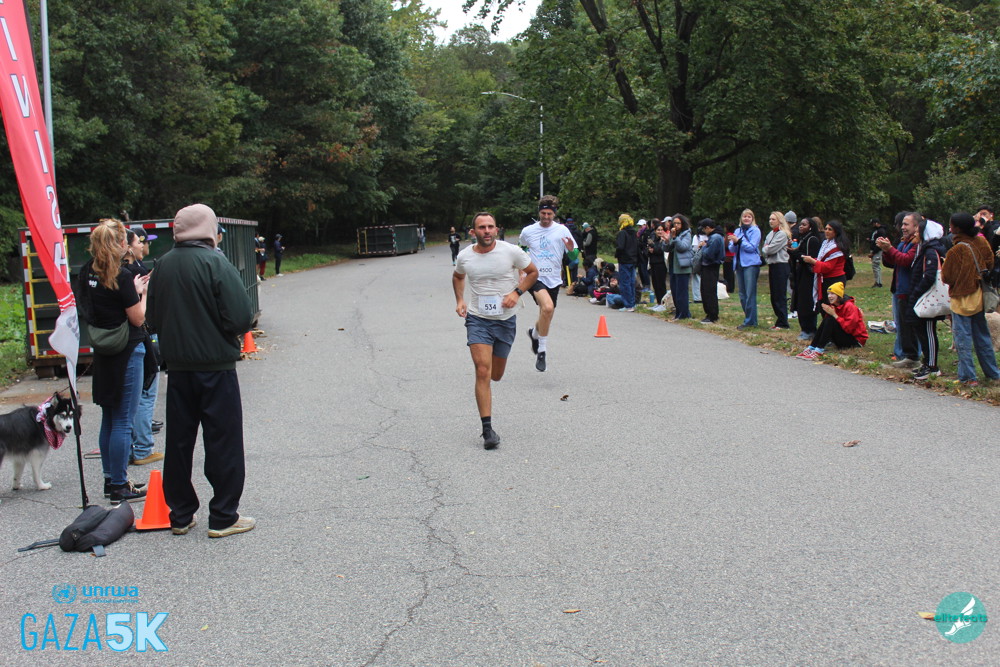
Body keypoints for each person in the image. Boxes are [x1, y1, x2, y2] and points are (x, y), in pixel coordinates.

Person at [147, 203, 257, 538]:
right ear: (208, 228)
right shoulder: (215, 262)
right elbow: (241, 317)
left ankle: (180, 514)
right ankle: (223, 516)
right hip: (216, 366)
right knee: (223, 440)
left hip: (178, 369)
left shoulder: (162, 265)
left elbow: (152, 318)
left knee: (179, 442)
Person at [453, 212, 538, 449]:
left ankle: (490, 377)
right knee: (482, 370)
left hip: (505, 320)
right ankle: (487, 430)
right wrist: (460, 300)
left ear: (496, 229)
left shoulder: (511, 251)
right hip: (478, 319)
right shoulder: (465, 256)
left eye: (490, 226)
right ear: (473, 232)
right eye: (482, 227)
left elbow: (533, 272)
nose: (487, 231)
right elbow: (458, 276)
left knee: (495, 374)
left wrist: (516, 293)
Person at [79, 219, 148, 504]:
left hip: (103, 348)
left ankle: (111, 479)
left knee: (109, 416)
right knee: (123, 420)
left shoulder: (87, 271)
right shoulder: (122, 275)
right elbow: (138, 318)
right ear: (121, 243)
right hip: (127, 348)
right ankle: (120, 484)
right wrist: (141, 293)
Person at [519, 195, 578, 371]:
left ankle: (534, 333)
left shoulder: (562, 230)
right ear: (539, 212)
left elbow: (574, 256)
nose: (546, 217)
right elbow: (521, 250)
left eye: (549, 214)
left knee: (547, 313)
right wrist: (522, 271)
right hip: (535, 277)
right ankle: (542, 351)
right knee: (548, 307)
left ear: (554, 214)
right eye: (543, 213)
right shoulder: (528, 231)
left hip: (554, 278)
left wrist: (571, 250)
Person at [942, 212, 1000, 386]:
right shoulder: (982, 242)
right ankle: (993, 374)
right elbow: (990, 263)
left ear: (957, 228)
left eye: (951, 225)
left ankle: (968, 377)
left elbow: (947, 277)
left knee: (963, 339)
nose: (950, 228)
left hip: (961, 298)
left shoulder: (956, 250)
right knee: (983, 338)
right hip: (979, 296)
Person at [122, 227, 163, 467]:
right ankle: (143, 447)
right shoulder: (134, 273)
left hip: (126, 343)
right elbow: (139, 316)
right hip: (141, 338)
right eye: (140, 241)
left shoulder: (110, 272)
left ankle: (130, 448)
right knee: (145, 394)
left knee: (129, 400)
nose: (144, 245)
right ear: (128, 246)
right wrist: (145, 292)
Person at [905, 218, 947, 381]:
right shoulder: (924, 248)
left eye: (918, 231)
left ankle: (932, 366)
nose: (915, 233)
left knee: (928, 331)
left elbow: (930, 275)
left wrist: (917, 291)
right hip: (920, 296)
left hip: (928, 297)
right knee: (921, 331)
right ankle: (927, 362)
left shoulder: (930, 250)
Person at [879, 212, 921, 367]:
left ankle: (913, 357)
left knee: (911, 325)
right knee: (902, 325)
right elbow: (894, 261)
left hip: (910, 289)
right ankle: (907, 355)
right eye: (902, 224)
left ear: (916, 227)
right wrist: (886, 250)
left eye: (906, 224)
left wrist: (890, 249)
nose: (902, 227)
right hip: (899, 289)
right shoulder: (904, 243)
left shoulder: (917, 244)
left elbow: (906, 260)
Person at [795, 282, 867, 359]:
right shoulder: (834, 305)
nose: (829, 296)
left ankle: (819, 350)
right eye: (828, 294)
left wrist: (834, 315)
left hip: (856, 342)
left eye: (832, 294)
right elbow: (827, 326)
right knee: (828, 318)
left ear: (839, 295)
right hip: (842, 338)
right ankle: (812, 347)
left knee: (830, 318)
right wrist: (830, 313)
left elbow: (849, 328)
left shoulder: (850, 306)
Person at [800, 220, 849, 318]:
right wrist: (814, 260)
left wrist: (812, 261)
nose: (826, 231)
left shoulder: (837, 247)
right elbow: (822, 261)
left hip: (834, 280)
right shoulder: (826, 243)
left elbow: (828, 267)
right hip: (824, 280)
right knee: (824, 306)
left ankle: (833, 325)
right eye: (826, 229)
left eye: (830, 229)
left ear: (836, 232)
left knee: (832, 307)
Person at [727, 209, 762, 329]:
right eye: (744, 217)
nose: (746, 219)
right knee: (742, 294)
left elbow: (752, 247)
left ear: (752, 219)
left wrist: (739, 241)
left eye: (749, 217)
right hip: (739, 264)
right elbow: (731, 248)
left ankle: (750, 321)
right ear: (741, 219)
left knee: (750, 293)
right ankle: (749, 318)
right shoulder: (738, 231)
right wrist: (734, 243)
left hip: (750, 264)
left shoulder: (755, 230)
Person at [789, 217, 822, 340]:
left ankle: (810, 329)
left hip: (809, 275)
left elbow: (809, 258)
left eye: (804, 225)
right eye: (800, 224)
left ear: (810, 227)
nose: (801, 227)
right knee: (800, 301)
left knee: (807, 302)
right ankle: (804, 328)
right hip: (800, 273)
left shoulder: (812, 240)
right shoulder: (802, 239)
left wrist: (795, 253)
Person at [763, 211, 792, 329]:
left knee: (780, 294)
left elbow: (770, 249)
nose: (771, 221)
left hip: (781, 265)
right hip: (772, 265)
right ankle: (779, 319)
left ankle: (783, 322)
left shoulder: (782, 234)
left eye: (773, 219)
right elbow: (765, 248)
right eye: (770, 219)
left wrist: (767, 249)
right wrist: (766, 249)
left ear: (779, 221)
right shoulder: (770, 234)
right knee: (774, 294)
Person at [666, 214, 694, 320]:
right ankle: (678, 313)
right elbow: (667, 248)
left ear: (683, 224)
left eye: (678, 223)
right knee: (675, 291)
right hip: (673, 265)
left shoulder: (687, 234)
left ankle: (684, 314)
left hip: (682, 266)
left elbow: (683, 247)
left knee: (682, 292)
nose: (676, 225)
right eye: (674, 223)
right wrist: (666, 241)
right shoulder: (673, 234)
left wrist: (674, 238)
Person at [698, 218, 725, 323]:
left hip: (711, 266)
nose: (703, 232)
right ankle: (709, 313)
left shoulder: (715, 237)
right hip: (709, 266)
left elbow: (709, 254)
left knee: (709, 291)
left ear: (708, 228)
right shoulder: (715, 237)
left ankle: (712, 315)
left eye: (704, 229)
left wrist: (703, 247)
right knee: (705, 290)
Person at [613, 213, 639, 312]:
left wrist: (617, 254)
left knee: (625, 283)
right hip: (633, 260)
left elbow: (620, 247)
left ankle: (627, 304)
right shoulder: (634, 233)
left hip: (624, 260)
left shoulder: (622, 233)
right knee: (632, 282)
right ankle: (632, 303)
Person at [648, 221, 668, 311]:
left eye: (661, 230)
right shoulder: (653, 239)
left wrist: (654, 250)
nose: (660, 232)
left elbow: (661, 250)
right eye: (658, 230)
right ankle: (658, 302)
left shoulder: (664, 240)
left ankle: (663, 303)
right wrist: (650, 250)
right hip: (653, 263)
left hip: (661, 264)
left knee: (661, 284)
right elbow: (648, 249)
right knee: (655, 284)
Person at [869, 219, 886, 287]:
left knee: (876, 266)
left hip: (877, 251)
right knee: (875, 266)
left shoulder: (881, 231)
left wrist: (873, 252)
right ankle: (877, 281)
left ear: (876, 223)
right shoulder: (876, 231)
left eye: (873, 224)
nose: (872, 225)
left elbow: (880, 243)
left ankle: (879, 283)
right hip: (874, 250)